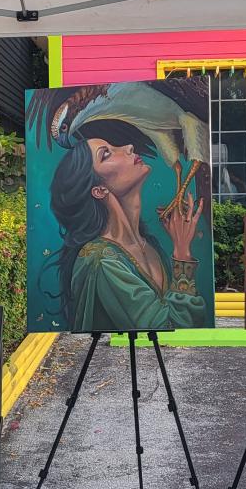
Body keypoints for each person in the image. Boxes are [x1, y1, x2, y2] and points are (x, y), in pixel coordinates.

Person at [47, 117, 207, 332]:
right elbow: (169, 326)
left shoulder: (148, 245)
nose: (129, 147)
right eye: (107, 154)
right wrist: (182, 253)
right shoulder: (102, 261)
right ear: (99, 190)